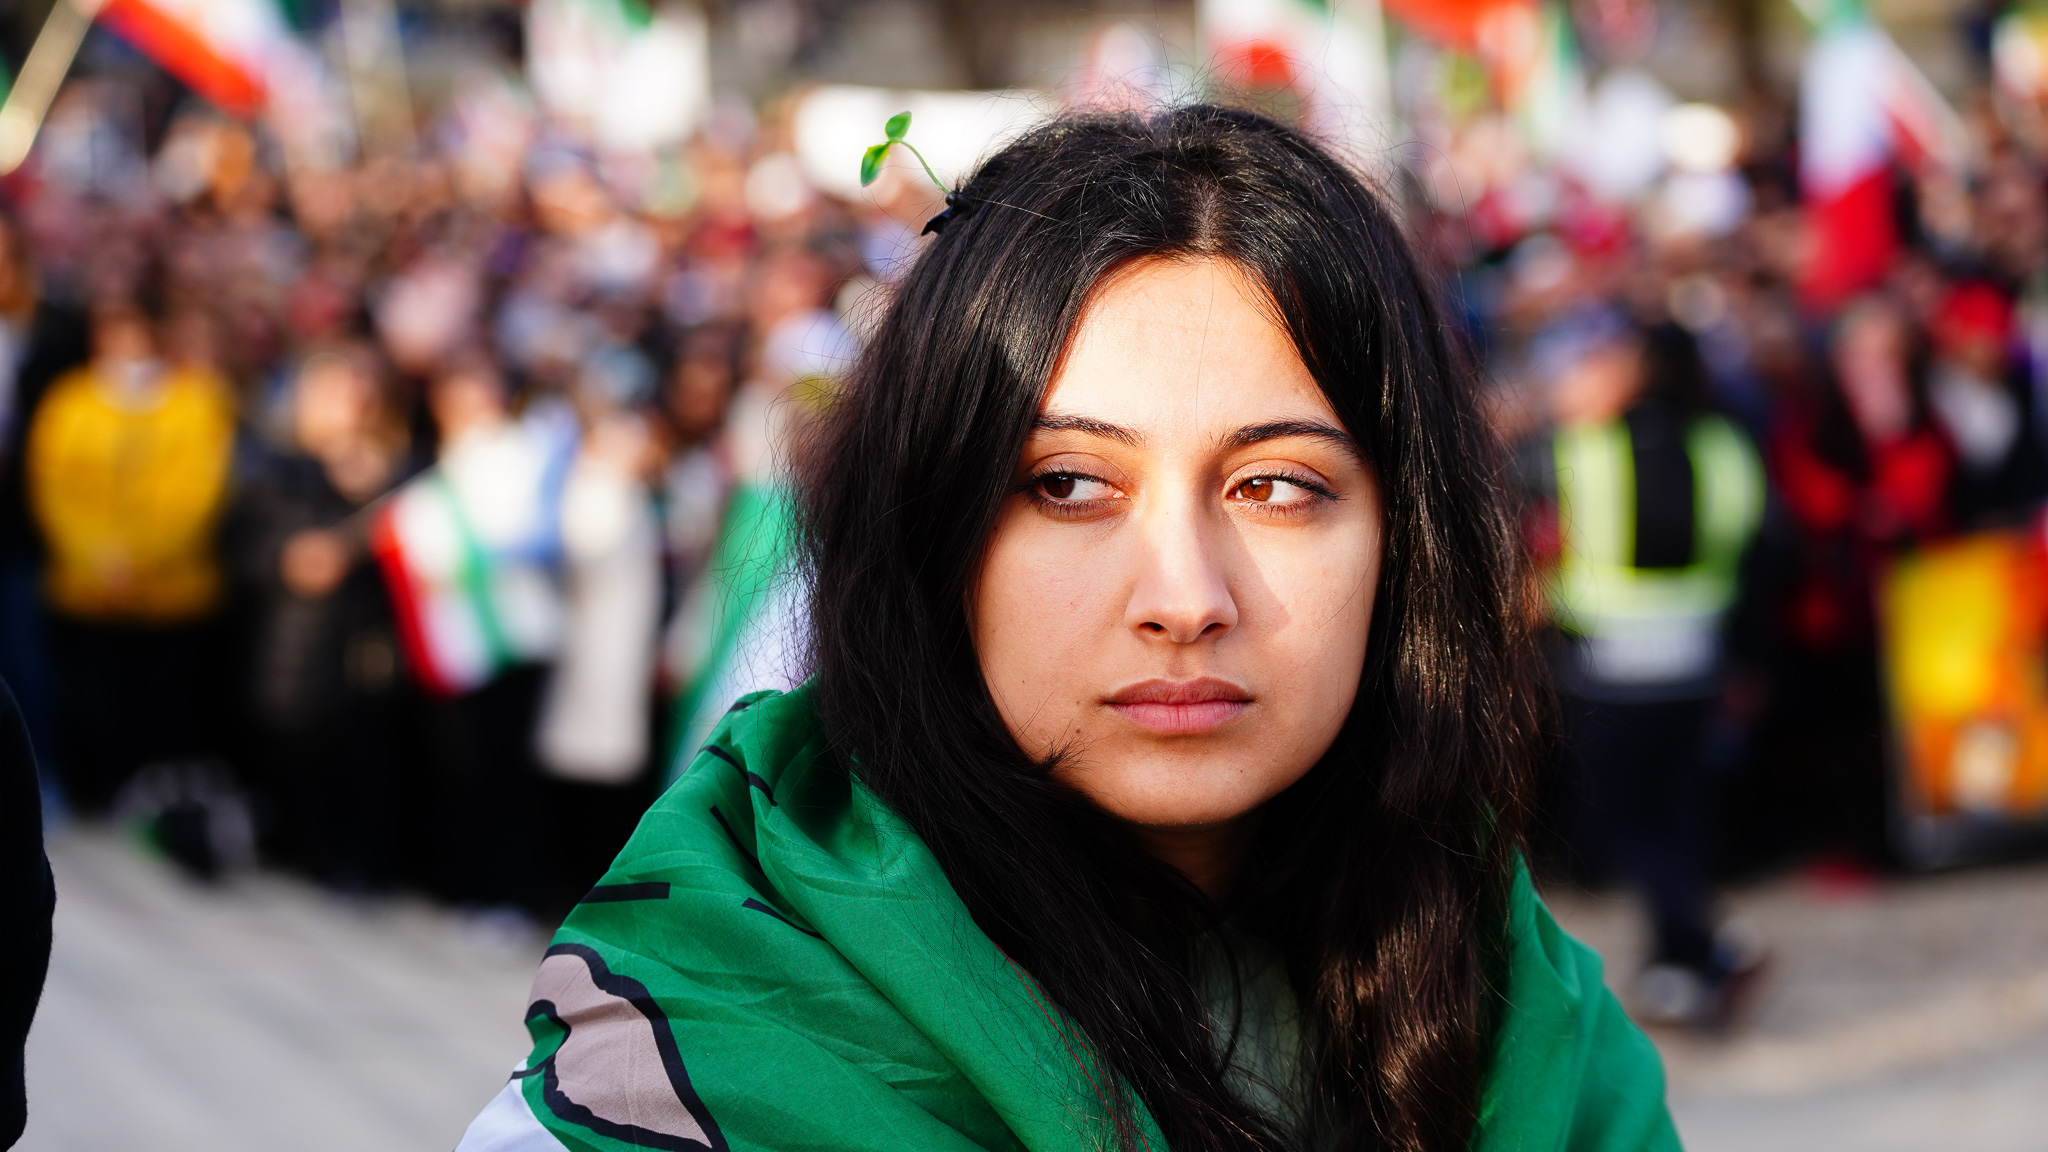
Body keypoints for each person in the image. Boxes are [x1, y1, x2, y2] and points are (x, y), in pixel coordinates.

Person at [456, 108, 1674, 1152]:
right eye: (1067, 487)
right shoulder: (704, 1058)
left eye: (1277, 487)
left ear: (1404, 540)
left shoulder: (1531, 1026)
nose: (1186, 596)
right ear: (932, 528)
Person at [1523, 315, 1767, 1027]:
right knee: (1678, 810)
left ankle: (1703, 948)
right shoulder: (1723, 444)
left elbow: (1544, 547)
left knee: (1627, 821)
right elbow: (1754, 549)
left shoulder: (1581, 446)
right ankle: (1679, 964)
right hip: (1698, 657)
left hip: (1610, 664)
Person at [26, 280, 236, 813]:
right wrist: (96, 554)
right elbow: (55, 487)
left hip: (171, 591)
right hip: (87, 586)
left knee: (162, 705)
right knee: (91, 700)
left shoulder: (196, 401)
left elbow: (197, 491)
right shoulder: (70, 400)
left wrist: (141, 557)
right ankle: (92, 792)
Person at [228, 343, 413, 888]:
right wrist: (288, 557)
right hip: (279, 645)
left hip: (355, 655)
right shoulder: (276, 464)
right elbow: (241, 546)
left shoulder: (394, 476)